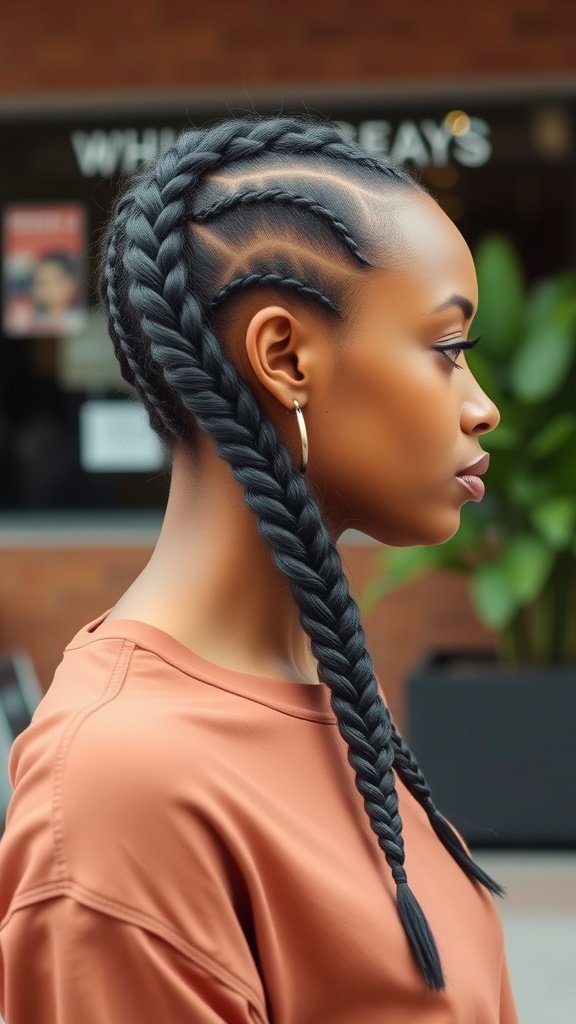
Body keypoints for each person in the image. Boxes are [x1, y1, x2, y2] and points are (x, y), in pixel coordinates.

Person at [0, 117, 519, 1022]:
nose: (484, 409)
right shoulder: (123, 787)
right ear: (284, 359)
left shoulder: (323, 688)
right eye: (447, 350)